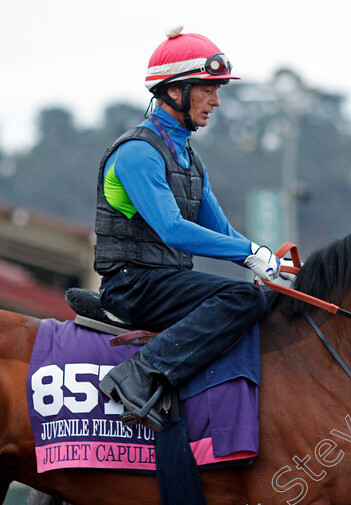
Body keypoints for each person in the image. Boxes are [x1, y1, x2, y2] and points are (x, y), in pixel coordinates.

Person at [96, 26, 285, 433]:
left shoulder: (189, 159)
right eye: (207, 89)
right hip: (132, 285)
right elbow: (174, 231)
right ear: (174, 91)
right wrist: (250, 252)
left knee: (258, 295)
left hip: (164, 282)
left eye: (217, 90)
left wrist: (274, 265)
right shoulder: (137, 153)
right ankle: (140, 374)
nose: (217, 101)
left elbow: (224, 231)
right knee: (242, 299)